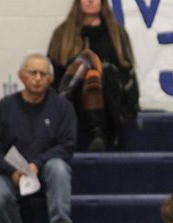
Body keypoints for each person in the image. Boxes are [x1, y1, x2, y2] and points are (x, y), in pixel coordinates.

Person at [0, 53, 76, 223]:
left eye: (43, 74)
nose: (37, 78)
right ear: (21, 75)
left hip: (45, 168)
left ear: (50, 79)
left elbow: (67, 144)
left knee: (58, 167)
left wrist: (38, 163)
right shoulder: (5, 107)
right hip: (11, 173)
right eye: (32, 72)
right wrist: (11, 171)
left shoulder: (62, 107)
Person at [48, 0, 139, 151]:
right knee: (87, 64)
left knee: (93, 67)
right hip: (75, 100)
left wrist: (131, 104)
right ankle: (98, 134)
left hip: (109, 97)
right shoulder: (62, 33)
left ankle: (97, 132)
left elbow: (127, 71)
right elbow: (53, 72)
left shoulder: (116, 32)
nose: (90, 1)